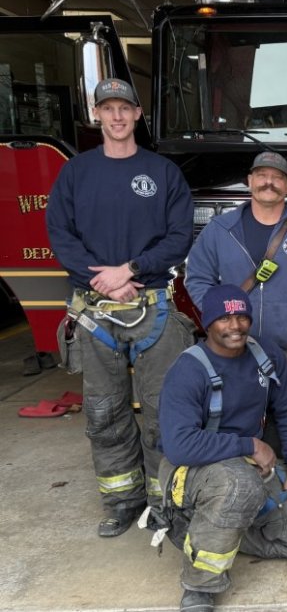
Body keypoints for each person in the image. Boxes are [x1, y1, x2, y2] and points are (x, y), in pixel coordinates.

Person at [46, 77, 195, 538]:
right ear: (97, 115)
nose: (116, 116)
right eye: (107, 108)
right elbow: (60, 233)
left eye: (124, 109)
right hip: (96, 309)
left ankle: (163, 500)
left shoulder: (164, 173)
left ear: (137, 115)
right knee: (104, 411)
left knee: (163, 410)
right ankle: (121, 501)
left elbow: (179, 236)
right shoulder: (75, 173)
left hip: (151, 305)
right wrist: (104, 281)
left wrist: (129, 270)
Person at [157, 284, 287, 612]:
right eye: (224, 318)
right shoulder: (188, 369)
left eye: (241, 316)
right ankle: (200, 585)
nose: (234, 326)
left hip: (247, 461)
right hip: (191, 467)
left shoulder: (266, 355)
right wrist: (249, 444)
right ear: (208, 323)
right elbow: (179, 445)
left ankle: (206, 530)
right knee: (239, 485)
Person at [185, 151, 287, 412]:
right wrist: (221, 321)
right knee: (236, 427)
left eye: (277, 178)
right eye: (262, 176)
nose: (269, 182)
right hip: (232, 350)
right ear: (249, 180)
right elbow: (198, 279)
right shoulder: (220, 230)